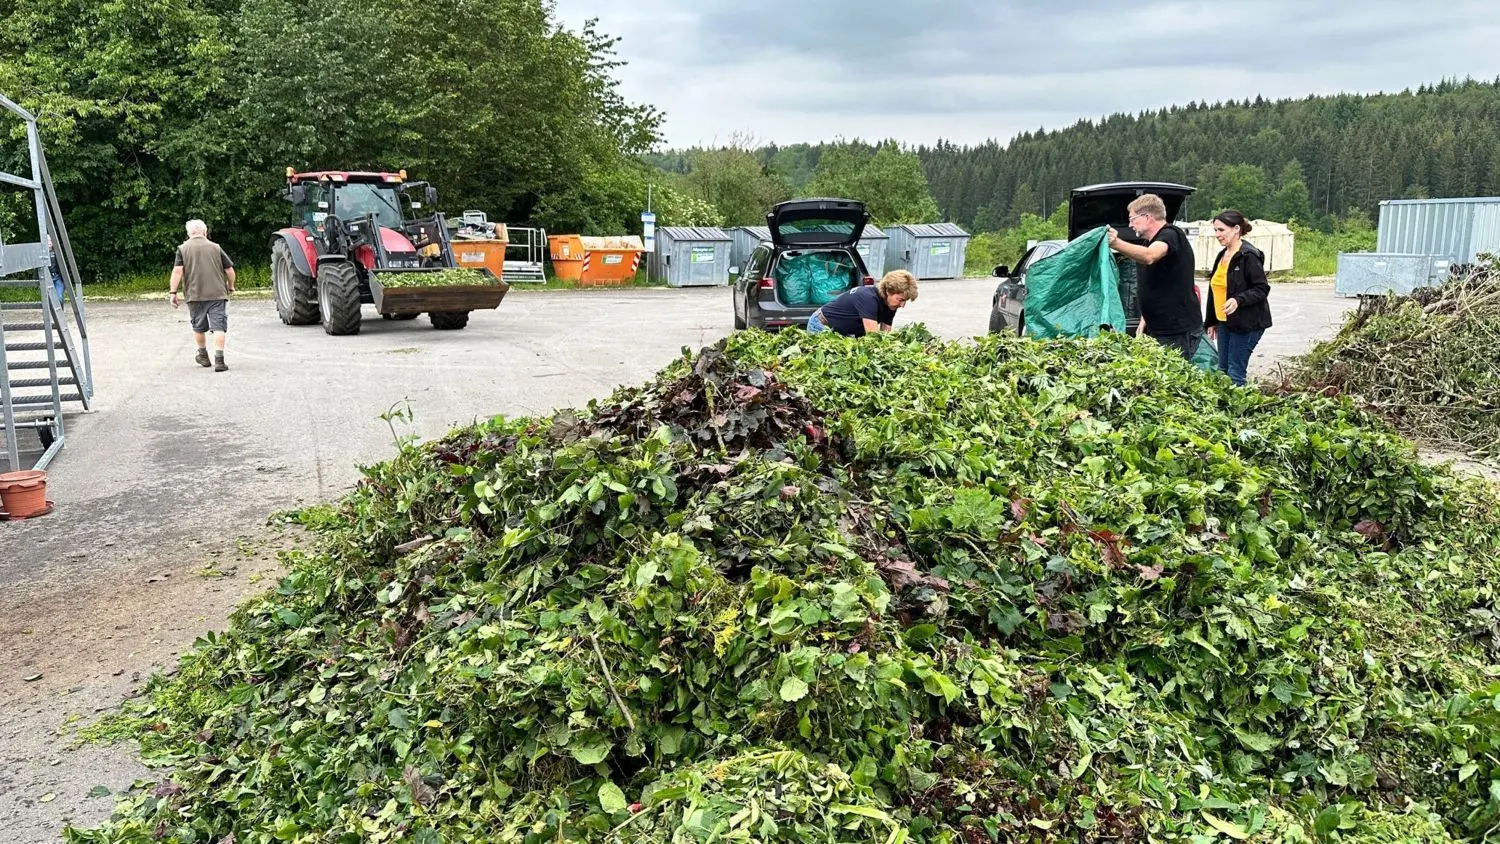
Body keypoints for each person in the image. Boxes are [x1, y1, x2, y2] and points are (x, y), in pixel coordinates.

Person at [1106, 194, 1201, 360]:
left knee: (1171, 380)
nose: (1130, 225)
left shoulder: (1171, 234)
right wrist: (1144, 320)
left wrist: (1116, 243)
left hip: (1176, 331)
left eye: (1132, 219)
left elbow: (1150, 256)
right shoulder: (1148, 242)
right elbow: (1156, 286)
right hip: (1157, 328)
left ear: (1147, 217)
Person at [1203, 209, 1272, 386]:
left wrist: (1238, 300)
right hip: (1225, 322)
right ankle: (1223, 409)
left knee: (1235, 372)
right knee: (1222, 369)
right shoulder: (1222, 255)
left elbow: (1262, 288)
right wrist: (1211, 320)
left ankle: (1238, 412)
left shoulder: (1248, 255)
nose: (1217, 235)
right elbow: (1215, 289)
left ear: (1235, 229)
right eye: (1215, 230)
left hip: (1247, 324)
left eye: (1221, 230)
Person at [168, 219, 236, 372]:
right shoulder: (216, 247)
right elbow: (230, 270)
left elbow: (178, 271)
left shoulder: (182, 249)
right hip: (218, 294)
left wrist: (173, 292)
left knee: (198, 327)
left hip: (194, 295)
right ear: (205, 232)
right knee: (219, 327)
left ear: (188, 234)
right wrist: (230, 286)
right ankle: (219, 360)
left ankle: (203, 355)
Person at [806, 269, 918, 336]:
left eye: (905, 301)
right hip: (821, 325)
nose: (903, 305)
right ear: (888, 291)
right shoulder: (869, 299)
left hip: (842, 332)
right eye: (901, 300)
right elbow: (873, 338)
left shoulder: (891, 305)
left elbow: (885, 335)